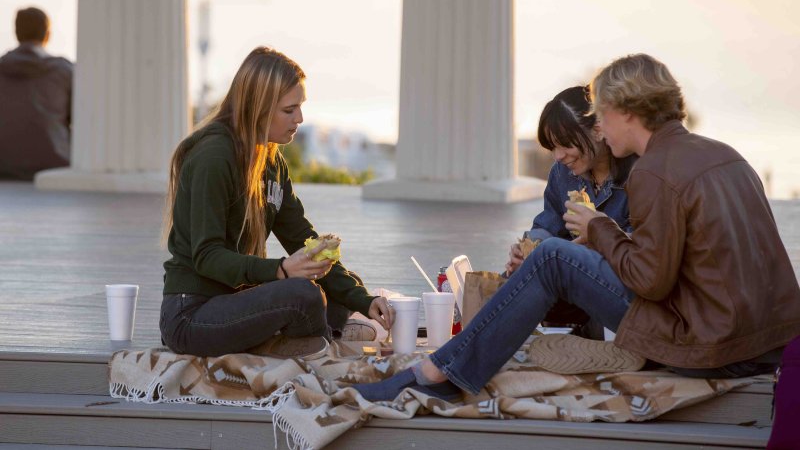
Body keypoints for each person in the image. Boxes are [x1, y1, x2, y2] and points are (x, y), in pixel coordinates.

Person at [353, 53, 800, 402]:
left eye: (602, 114)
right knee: (548, 253)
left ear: (627, 111)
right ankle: (447, 367)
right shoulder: (726, 155)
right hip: (765, 345)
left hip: (709, 349)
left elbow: (651, 281)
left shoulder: (654, 172)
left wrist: (599, 230)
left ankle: (438, 374)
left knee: (551, 258)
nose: (600, 128)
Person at [159, 47, 394, 359]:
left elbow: (302, 236)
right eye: (289, 110)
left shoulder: (272, 162)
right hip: (192, 314)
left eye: (300, 108)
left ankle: (297, 341)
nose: (300, 118)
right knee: (302, 294)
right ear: (258, 107)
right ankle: (312, 344)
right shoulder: (213, 157)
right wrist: (282, 270)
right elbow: (207, 256)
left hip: (240, 302)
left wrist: (363, 300)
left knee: (336, 288)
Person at [505, 86, 636, 336]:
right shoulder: (562, 174)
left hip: (618, 293)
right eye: (552, 147)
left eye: (565, 144)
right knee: (511, 280)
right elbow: (547, 227)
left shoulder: (638, 173)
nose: (558, 156)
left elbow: (645, 255)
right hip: (570, 290)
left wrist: (592, 243)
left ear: (598, 130)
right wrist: (528, 248)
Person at [0, 7, 73, 180]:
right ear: (47, 35)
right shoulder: (64, 71)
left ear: (17, 33)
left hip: (3, 167)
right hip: (55, 168)